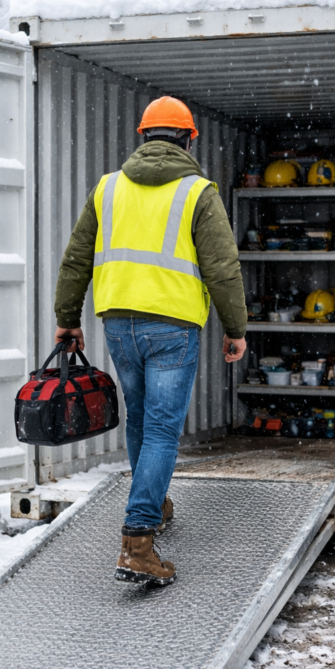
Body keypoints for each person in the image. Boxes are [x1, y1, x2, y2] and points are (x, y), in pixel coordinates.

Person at [54, 95, 247, 586]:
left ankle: (154, 502)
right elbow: (222, 269)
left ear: (142, 136)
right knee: (162, 428)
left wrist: (67, 318)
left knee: (140, 418)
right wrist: (236, 328)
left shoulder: (108, 188)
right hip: (174, 325)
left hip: (118, 321)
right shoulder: (198, 192)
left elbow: (77, 259)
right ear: (189, 140)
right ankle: (138, 542)